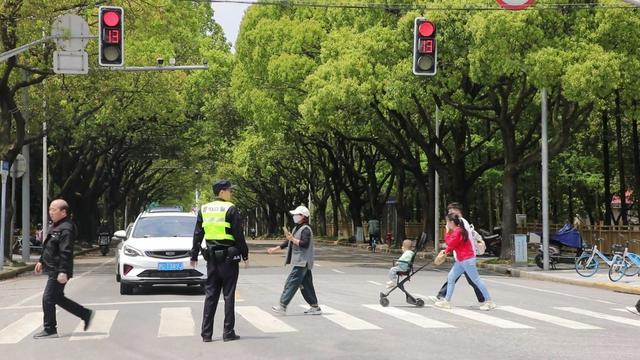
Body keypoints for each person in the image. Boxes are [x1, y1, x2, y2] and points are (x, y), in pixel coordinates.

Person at [190, 180, 249, 343]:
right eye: (230, 190)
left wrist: (194, 255)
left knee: (210, 295)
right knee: (229, 295)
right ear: (222, 192)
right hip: (228, 260)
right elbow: (238, 235)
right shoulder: (230, 208)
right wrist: (245, 255)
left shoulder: (204, 209)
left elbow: (197, 234)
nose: (232, 193)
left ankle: (206, 334)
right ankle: (228, 332)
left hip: (211, 260)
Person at [33, 199, 94, 339]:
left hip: (58, 269)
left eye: (53, 209)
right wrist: (41, 261)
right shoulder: (56, 226)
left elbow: (65, 251)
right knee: (57, 298)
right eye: (50, 209)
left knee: (48, 298)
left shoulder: (67, 228)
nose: (50, 212)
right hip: (53, 267)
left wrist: (62, 271)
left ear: (63, 211)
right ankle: (85, 314)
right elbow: (49, 246)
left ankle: (50, 329)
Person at [267, 205, 321, 315]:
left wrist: (292, 239)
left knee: (291, 283)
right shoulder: (296, 228)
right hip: (299, 261)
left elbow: (304, 244)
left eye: (297, 214)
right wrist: (275, 249)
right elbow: (288, 242)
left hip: (302, 261)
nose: (294, 216)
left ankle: (282, 306)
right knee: (306, 285)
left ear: (303, 216)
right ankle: (315, 307)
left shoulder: (306, 229)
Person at [434, 213, 495, 310]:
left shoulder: (458, 232)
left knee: (476, 280)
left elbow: (449, 243)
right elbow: (451, 245)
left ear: (452, 222)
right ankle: (446, 301)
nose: (446, 224)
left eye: (447, 222)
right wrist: (446, 250)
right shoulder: (458, 230)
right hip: (462, 260)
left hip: (467, 260)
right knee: (451, 278)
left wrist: (446, 231)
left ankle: (489, 301)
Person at [429, 202, 487, 304]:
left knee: (474, 280)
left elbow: (453, 241)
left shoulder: (461, 224)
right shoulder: (460, 223)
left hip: (466, 258)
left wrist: (447, 237)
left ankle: (487, 300)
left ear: (457, 211)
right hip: (462, 258)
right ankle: (444, 298)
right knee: (453, 278)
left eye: (451, 211)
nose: (449, 213)